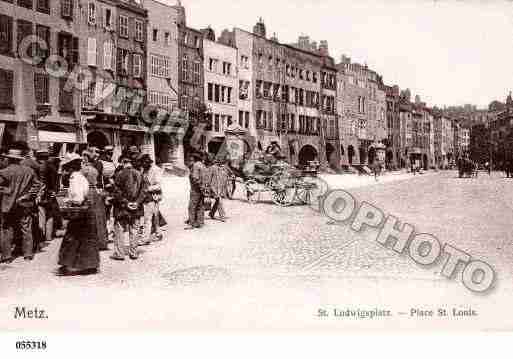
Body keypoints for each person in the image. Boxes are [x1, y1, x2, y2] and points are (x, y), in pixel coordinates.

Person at [57, 153, 99, 275]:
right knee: (85, 239)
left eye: (66, 168)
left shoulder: (75, 178)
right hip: (86, 210)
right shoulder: (79, 177)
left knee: (73, 238)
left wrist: (67, 201)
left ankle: (68, 264)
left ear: (70, 167)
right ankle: (89, 265)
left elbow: (78, 198)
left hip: (81, 211)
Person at [0, 149, 42, 263]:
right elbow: (38, 185)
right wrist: (28, 195)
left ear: (9, 159)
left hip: (8, 204)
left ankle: (7, 256)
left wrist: (7, 191)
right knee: (26, 228)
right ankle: (28, 254)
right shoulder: (29, 171)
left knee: (7, 229)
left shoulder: (5, 172)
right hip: (24, 204)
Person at [111, 156, 145, 260]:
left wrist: (126, 203)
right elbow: (144, 192)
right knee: (134, 229)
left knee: (120, 229)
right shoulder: (139, 174)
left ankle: (120, 253)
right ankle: (133, 253)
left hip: (122, 208)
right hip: (137, 207)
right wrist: (137, 203)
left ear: (122, 162)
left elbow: (117, 192)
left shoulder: (119, 174)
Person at [81, 150, 109, 251]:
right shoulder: (94, 169)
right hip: (96, 192)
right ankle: (102, 241)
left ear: (87, 158)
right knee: (99, 217)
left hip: (88, 192)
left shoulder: (84, 170)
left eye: (84, 157)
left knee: (89, 217)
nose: (83, 159)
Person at [36, 150, 60, 243]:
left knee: (41, 214)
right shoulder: (53, 167)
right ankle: (48, 236)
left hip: (42, 194)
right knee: (50, 215)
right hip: (51, 194)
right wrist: (55, 191)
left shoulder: (39, 167)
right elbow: (56, 181)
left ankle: (41, 235)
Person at [139, 154, 163, 245]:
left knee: (148, 218)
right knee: (154, 216)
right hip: (146, 197)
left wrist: (148, 189)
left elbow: (158, 185)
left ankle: (146, 238)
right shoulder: (144, 170)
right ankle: (158, 232)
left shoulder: (155, 170)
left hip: (153, 196)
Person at [185, 152, 206, 229]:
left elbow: (195, 178)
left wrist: (199, 187)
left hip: (196, 189)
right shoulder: (203, 165)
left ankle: (191, 223)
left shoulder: (196, 166)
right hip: (203, 188)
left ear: (194, 159)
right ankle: (200, 222)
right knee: (200, 206)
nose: (190, 160)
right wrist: (203, 188)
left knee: (192, 206)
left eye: (191, 159)